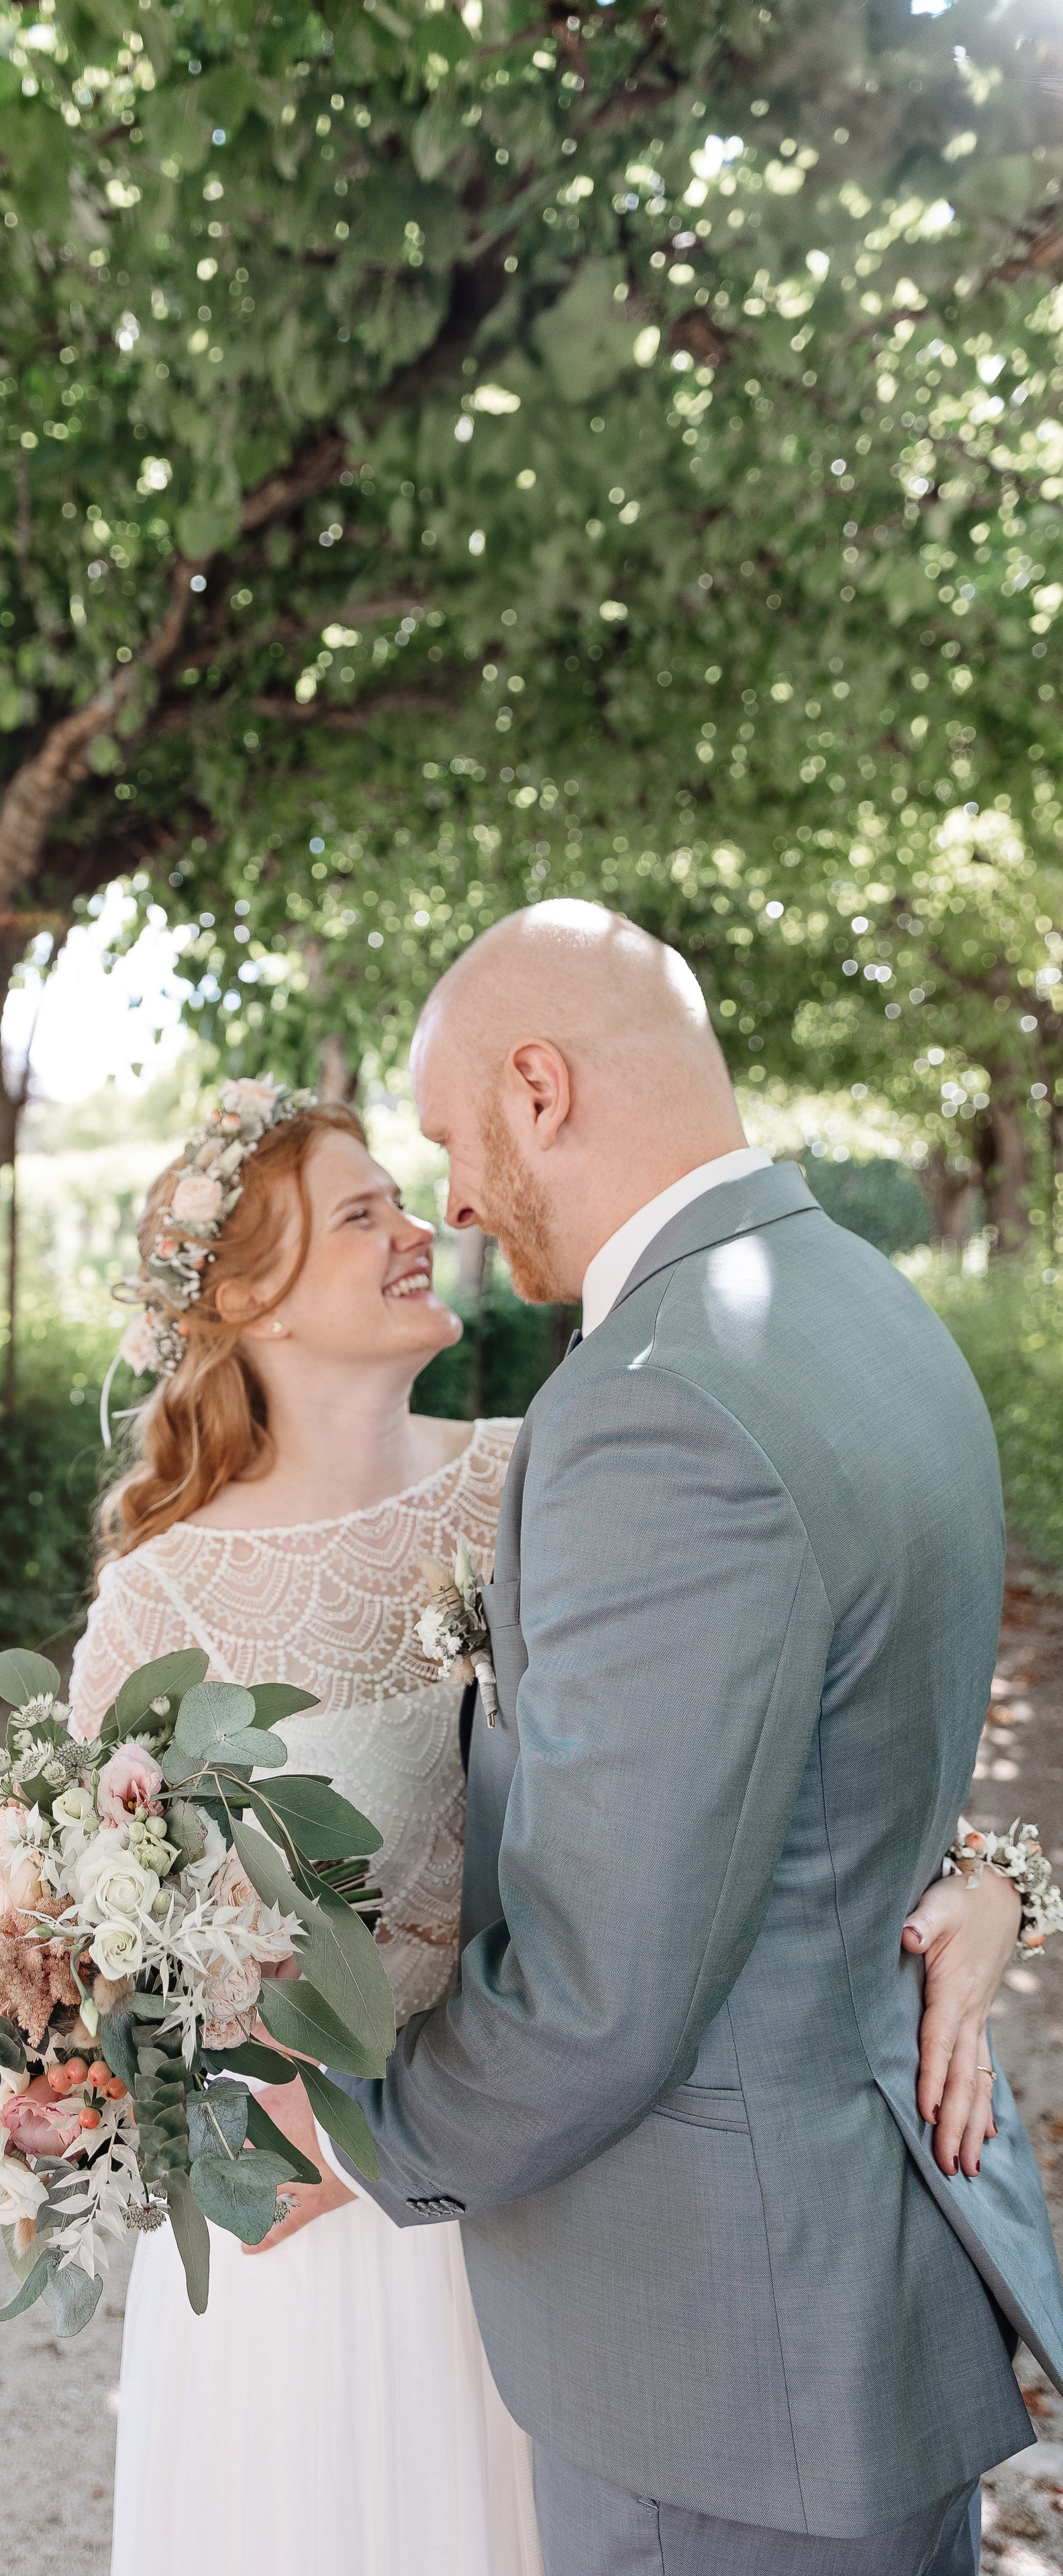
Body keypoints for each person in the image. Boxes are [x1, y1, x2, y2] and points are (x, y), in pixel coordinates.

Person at [71, 1059, 1024, 2576]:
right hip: (320, 2208)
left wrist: (987, 1876)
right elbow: (94, 1945)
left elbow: (777, 1763)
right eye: (356, 1213)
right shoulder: (160, 1605)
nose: (416, 1226)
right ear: (245, 1302)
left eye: (401, 1192)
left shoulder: (551, 1466)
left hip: (571, 2190)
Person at [338, 897, 1063, 2576]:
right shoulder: (858, 1299)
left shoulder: (653, 1398)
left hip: (725, 2375)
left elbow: (599, 1994)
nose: (443, 1200)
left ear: (538, 1088)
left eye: (447, 1137)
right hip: (845, 2297)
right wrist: (1000, 1878)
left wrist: (354, 2128)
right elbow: (835, 1764)